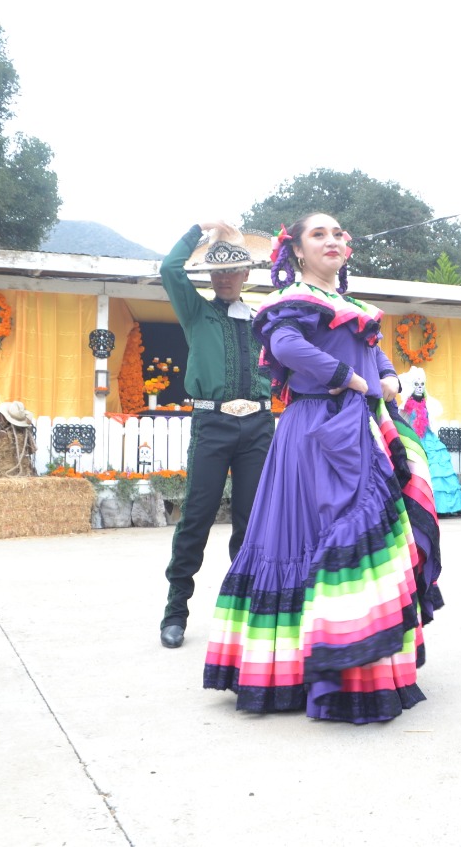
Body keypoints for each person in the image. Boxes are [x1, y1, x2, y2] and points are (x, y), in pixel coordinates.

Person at [203, 212, 443, 723]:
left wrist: (389, 378)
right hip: (314, 430)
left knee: (370, 532)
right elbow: (287, 346)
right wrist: (354, 380)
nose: (332, 240)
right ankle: (309, 666)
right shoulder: (291, 301)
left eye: (338, 234)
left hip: (362, 429)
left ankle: (356, 659)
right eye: (319, 234)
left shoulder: (354, 306)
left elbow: (374, 353)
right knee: (320, 533)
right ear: (296, 250)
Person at [156, 222, 275, 649]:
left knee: (251, 522)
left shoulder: (265, 320)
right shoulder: (196, 311)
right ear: (210, 277)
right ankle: (175, 612)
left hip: (259, 426)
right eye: (218, 273)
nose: (225, 278)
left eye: (234, 271)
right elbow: (170, 269)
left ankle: (242, 614)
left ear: (246, 275)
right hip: (213, 423)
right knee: (197, 516)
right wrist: (197, 230)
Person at [400, 365, 461, 515]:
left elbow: (432, 421)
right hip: (414, 440)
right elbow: (403, 422)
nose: (420, 387)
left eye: (422, 384)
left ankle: (442, 507)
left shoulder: (428, 404)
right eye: (417, 384)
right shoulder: (406, 406)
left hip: (429, 439)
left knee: (437, 470)